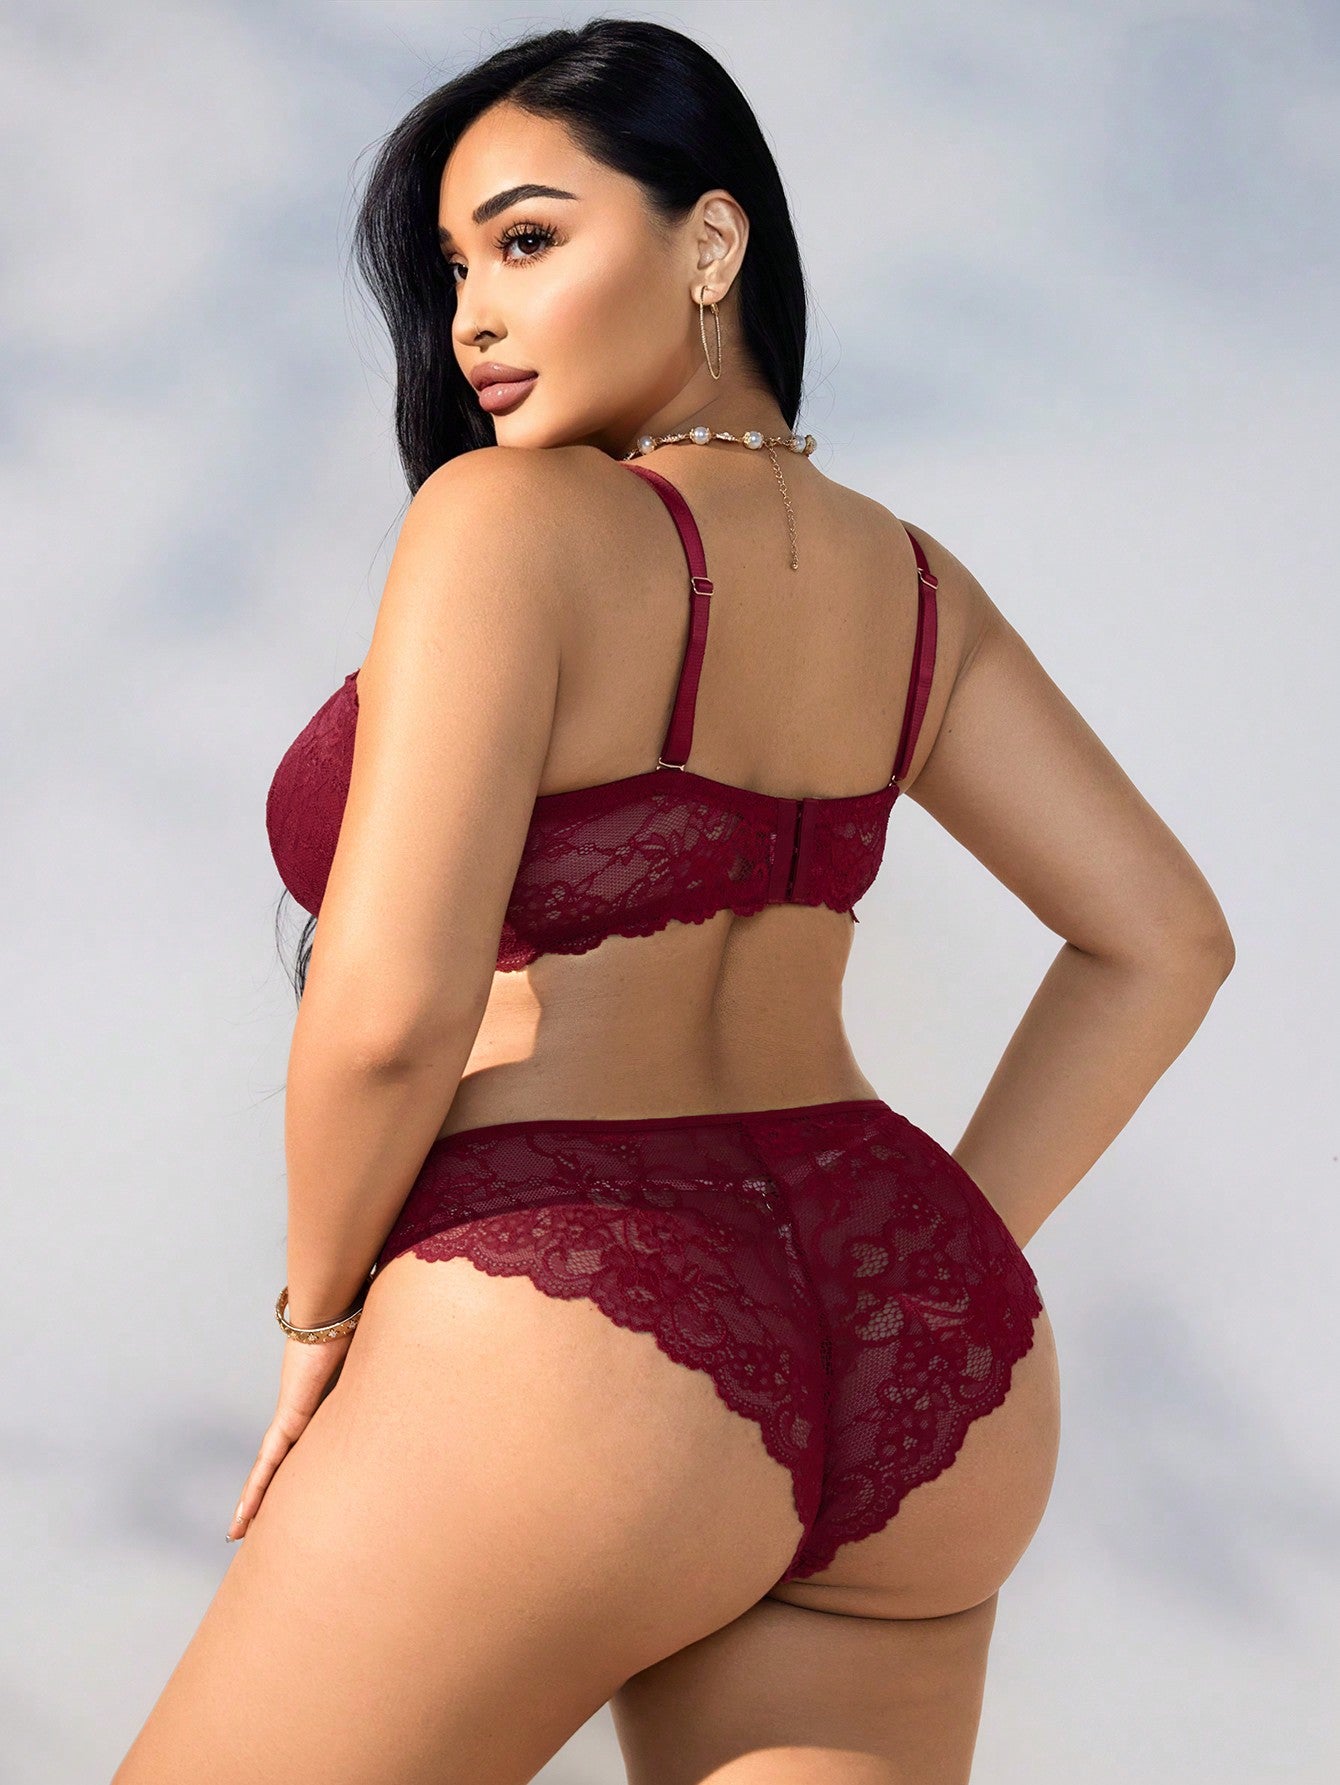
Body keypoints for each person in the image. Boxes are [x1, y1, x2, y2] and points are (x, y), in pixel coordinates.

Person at [113, 19, 1234, 1785]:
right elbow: (1165, 938)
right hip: (928, 1365)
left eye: (527, 240)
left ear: (711, 243)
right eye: (456, 268)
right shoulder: (917, 585)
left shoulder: (508, 521)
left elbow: (391, 1013)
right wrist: (947, 1254)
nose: (473, 317)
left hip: (571, 1327)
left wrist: (317, 1324)